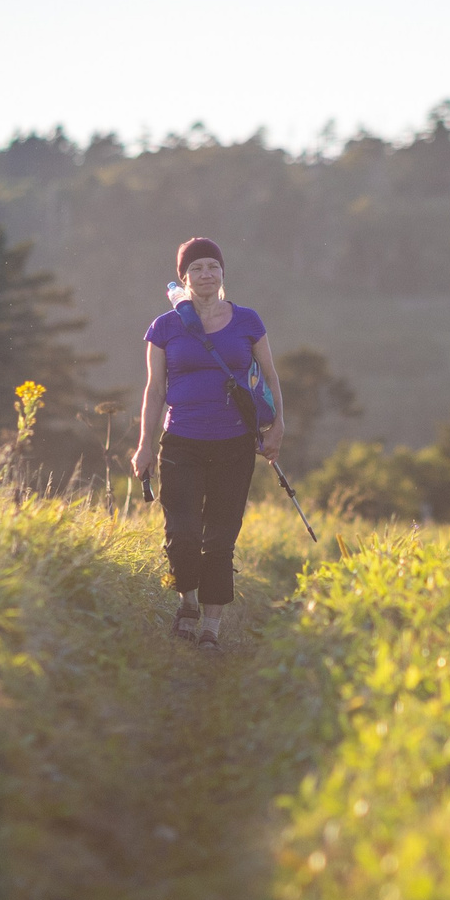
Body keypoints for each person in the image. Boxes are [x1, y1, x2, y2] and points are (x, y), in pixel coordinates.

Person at [130, 237, 283, 650]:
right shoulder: (164, 327)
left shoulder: (247, 320)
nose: (205, 274)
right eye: (196, 268)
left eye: (212, 266)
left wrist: (278, 428)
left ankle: (211, 629)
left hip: (235, 444)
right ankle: (188, 602)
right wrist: (145, 445)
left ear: (222, 273)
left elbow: (270, 377)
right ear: (183, 278)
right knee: (182, 531)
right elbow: (154, 390)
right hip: (181, 441)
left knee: (219, 537)